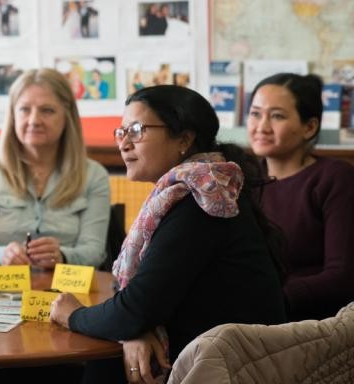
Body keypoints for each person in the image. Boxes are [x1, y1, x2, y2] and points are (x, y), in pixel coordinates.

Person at [50, 85, 287, 384]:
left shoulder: (202, 200)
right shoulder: (194, 190)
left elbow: (134, 310)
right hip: (208, 351)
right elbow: (145, 303)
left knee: (101, 368)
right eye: (121, 132)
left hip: (231, 369)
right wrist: (135, 329)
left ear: (184, 139)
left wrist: (72, 315)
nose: (124, 143)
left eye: (136, 130)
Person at [0, 69, 111, 268]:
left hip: (68, 292)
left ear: (67, 117)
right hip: (3, 291)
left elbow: (94, 252)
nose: (34, 120)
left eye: (47, 110)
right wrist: (1, 255)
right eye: (24, 109)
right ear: (13, 116)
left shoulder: (94, 176)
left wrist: (63, 256)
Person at [248, 73, 354, 321]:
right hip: (248, 314)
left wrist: (269, 297)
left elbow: (342, 276)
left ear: (309, 127)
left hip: (310, 325)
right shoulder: (242, 177)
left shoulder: (335, 178)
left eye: (277, 116)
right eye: (255, 113)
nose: (261, 127)